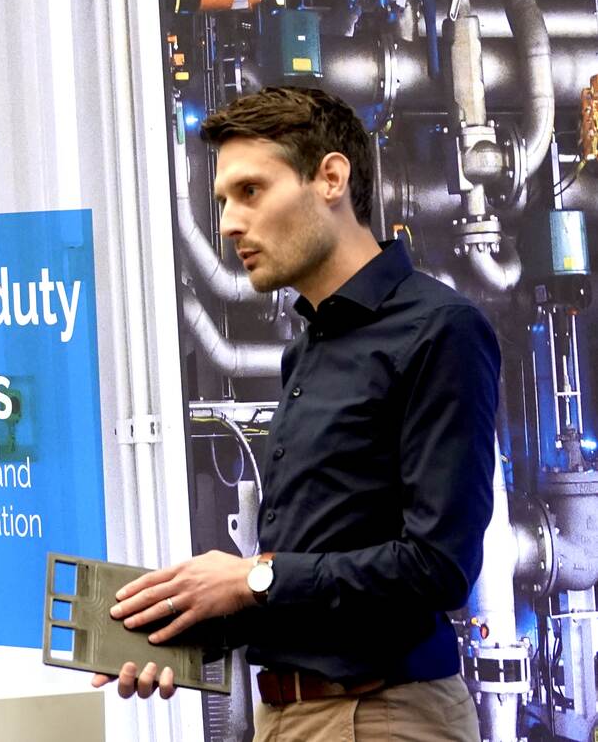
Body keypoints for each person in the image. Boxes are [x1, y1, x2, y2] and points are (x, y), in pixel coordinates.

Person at [94, 86, 499, 740]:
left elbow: (437, 567)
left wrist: (251, 578)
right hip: (288, 714)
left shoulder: (439, 329)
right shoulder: (307, 348)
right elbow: (315, 570)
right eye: (223, 200)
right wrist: (184, 628)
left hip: (380, 717)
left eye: (250, 191)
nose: (229, 223)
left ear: (331, 178)